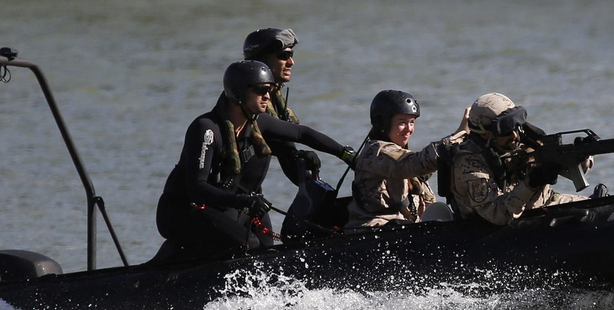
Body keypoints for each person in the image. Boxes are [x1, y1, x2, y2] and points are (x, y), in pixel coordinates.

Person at [154, 61, 354, 262]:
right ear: (238, 93)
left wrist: (346, 155)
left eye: (270, 89)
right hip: (181, 212)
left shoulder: (258, 122)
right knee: (248, 245)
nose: (267, 95)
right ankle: (171, 261)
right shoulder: (206, 129)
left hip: (218, 208)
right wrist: (244, 201)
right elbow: (197, 189)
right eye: (261, 90)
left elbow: (303, 133)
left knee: (267, 251)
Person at [447, 92, 584, 226]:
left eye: (516, 125)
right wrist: (532, 182)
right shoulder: (470, 163)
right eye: (506, 130)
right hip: (493, 226)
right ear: (485, 135)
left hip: (542, 205)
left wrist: (580, 156)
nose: (514, 135)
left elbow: (574, 173)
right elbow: (497, 215)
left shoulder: (524, 142)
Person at [241, 28, 355, 185]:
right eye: (284, 56)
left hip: (249, 197)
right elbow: (300, 135)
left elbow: (286, 154)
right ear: (263, 61)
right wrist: (345, 154)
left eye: (291, 55)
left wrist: (298, 159)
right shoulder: (249, 104)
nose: (291, 62)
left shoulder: (275, 100)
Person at [348, 90, 453, 228]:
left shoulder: (400, 152)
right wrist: (452, 141)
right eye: (402, 122)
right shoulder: (377, 152)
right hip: (374, 230)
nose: (409, 129)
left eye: (412, 122)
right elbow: (413, 164)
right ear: (383, 123)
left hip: (403, 229)